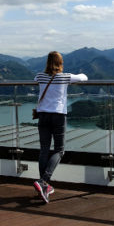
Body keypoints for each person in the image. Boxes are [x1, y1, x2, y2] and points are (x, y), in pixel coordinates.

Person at [33, 51, 88, 203]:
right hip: (58, 116)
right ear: (60, 63)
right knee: (59, 150)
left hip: (42, 115)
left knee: (44, 149)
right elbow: (84, 78)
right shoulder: (64, 77)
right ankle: (43, 181)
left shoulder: (40, 76)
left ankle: (44, 186)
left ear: (47, 62)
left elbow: (35, 79)